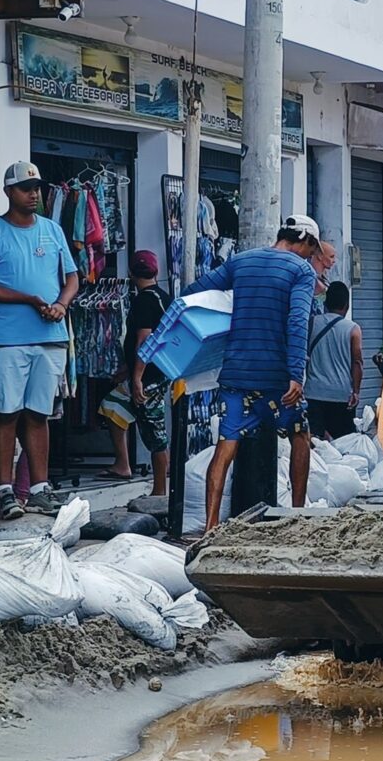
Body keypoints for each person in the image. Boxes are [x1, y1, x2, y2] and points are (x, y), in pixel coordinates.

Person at [186, 217, 321, 532]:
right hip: (276, 378)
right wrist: (296, 374)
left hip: (236, 374)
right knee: (300, 434)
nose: (309, 257)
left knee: (226, 445)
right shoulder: (301, 271)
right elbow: (298, 321)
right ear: (306, 241)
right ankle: (297, 515)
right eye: (311, 250)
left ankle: (209, 526)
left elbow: (195, 293)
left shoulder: (241, 262)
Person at [0, 161, 79, 518]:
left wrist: (62, 305)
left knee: (38, 414)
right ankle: (4, 489)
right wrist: (30, 300)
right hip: (7, 338)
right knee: (6, 414)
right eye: (25, 188)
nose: (34, 194)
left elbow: (73, 277)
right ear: (8, 192)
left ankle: (38, 488)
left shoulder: (52, 230)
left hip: (50, 336)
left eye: (36, 187)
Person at [98, 251, 173, 494]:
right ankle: (123, 464)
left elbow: (145, 341)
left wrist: (137, 377)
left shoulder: (143, 301)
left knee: (155, 434)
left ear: (130, 273)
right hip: (154, 373)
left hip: (148, 378)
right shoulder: (164, 297)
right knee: (112, 405)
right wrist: (128, 371)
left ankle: (160, 491)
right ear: (156, 272)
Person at [305, 280, 363, 441]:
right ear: (346, 305)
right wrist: (356, 392)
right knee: (343, 446)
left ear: (326, 303)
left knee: (316, 444)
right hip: (341, 396)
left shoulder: (311, 323)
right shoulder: (353, 329)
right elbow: (357, 363)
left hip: (313, 394)